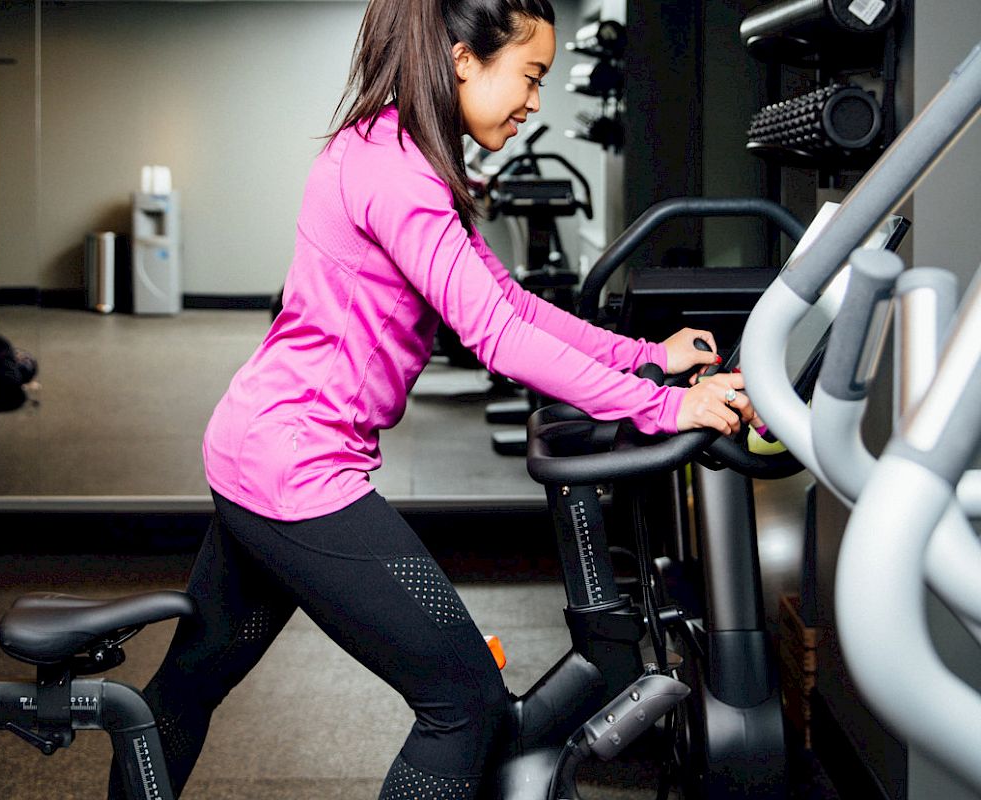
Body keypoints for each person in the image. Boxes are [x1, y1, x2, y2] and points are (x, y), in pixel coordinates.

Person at [110, 0, 761, 796]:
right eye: (528, 76)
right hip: (297, 472)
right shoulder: (397, 170)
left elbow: (510, 305)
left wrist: (646, 357)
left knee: (187, 687)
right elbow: (498, 338)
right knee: (463, 701)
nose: (534, 102)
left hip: (260, 451)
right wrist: (664, 406)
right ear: (462, 60)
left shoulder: (399, 151)